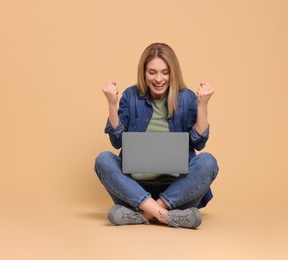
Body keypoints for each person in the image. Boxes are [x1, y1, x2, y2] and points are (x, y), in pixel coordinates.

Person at [94, 43, 219, 229]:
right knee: (103, 159)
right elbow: (117, 141)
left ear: (173, 72)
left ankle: (146, 214)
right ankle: (167, 216)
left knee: (208, 161)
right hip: (136, 190)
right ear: (143, 73)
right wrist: (112, 105)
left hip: (177, 190)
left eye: (165, 72)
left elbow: (199, 143)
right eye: (152, 72)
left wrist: (202, 106)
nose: (159, 78)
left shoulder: (187, 98)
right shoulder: (131, 96)